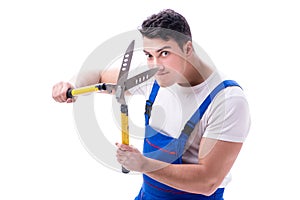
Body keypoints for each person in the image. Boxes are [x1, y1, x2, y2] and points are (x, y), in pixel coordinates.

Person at [52, 9, 250, 200]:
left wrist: (144, 165)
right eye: (149, 55)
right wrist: (73, 86)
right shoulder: (153, 77)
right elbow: (99, 75)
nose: (155, 65)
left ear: (187, 48)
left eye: (164, 53)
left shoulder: (227, 100)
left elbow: (208, 182)